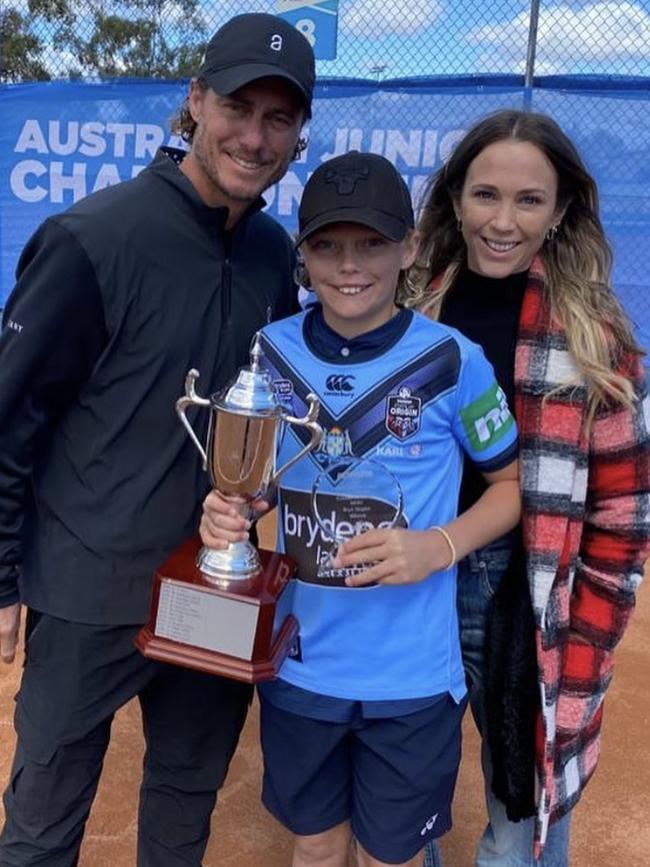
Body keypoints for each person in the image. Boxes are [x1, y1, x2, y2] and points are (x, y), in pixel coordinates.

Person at [0, 13, 315, 866]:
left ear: (298, 133)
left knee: (182, 813)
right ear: (194, 100)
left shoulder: (272, 256)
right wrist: (2, 580)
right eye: (237, 106)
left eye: (278, 118)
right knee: (41, 824)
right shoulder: (92, 239)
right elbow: (9, 421)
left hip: (215, 587)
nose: (253, 136)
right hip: (85, 587)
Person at [200, 150, 522, 867]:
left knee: (389, 856)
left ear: (409, 249)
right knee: (315, 845)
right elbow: (255, 482)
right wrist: (227, 513)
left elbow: (509, 488)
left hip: (409, 675)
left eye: (372, 243)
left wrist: (437, 545)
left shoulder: (453, 358)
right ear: (303, 256)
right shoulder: (269, 353)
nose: (350, 265)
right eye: (328, 246)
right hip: (301, 665)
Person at [405, 109, 650, 867]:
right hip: (409, 584)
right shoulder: (411, 307)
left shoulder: (594, 331)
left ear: (562, 211)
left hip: (525, 590)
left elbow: (622, 510)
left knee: (521, 812)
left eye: (528, 200)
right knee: (400, 790)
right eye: (484, 196)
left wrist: (588, 632)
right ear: (453, 200)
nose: (502, 221)